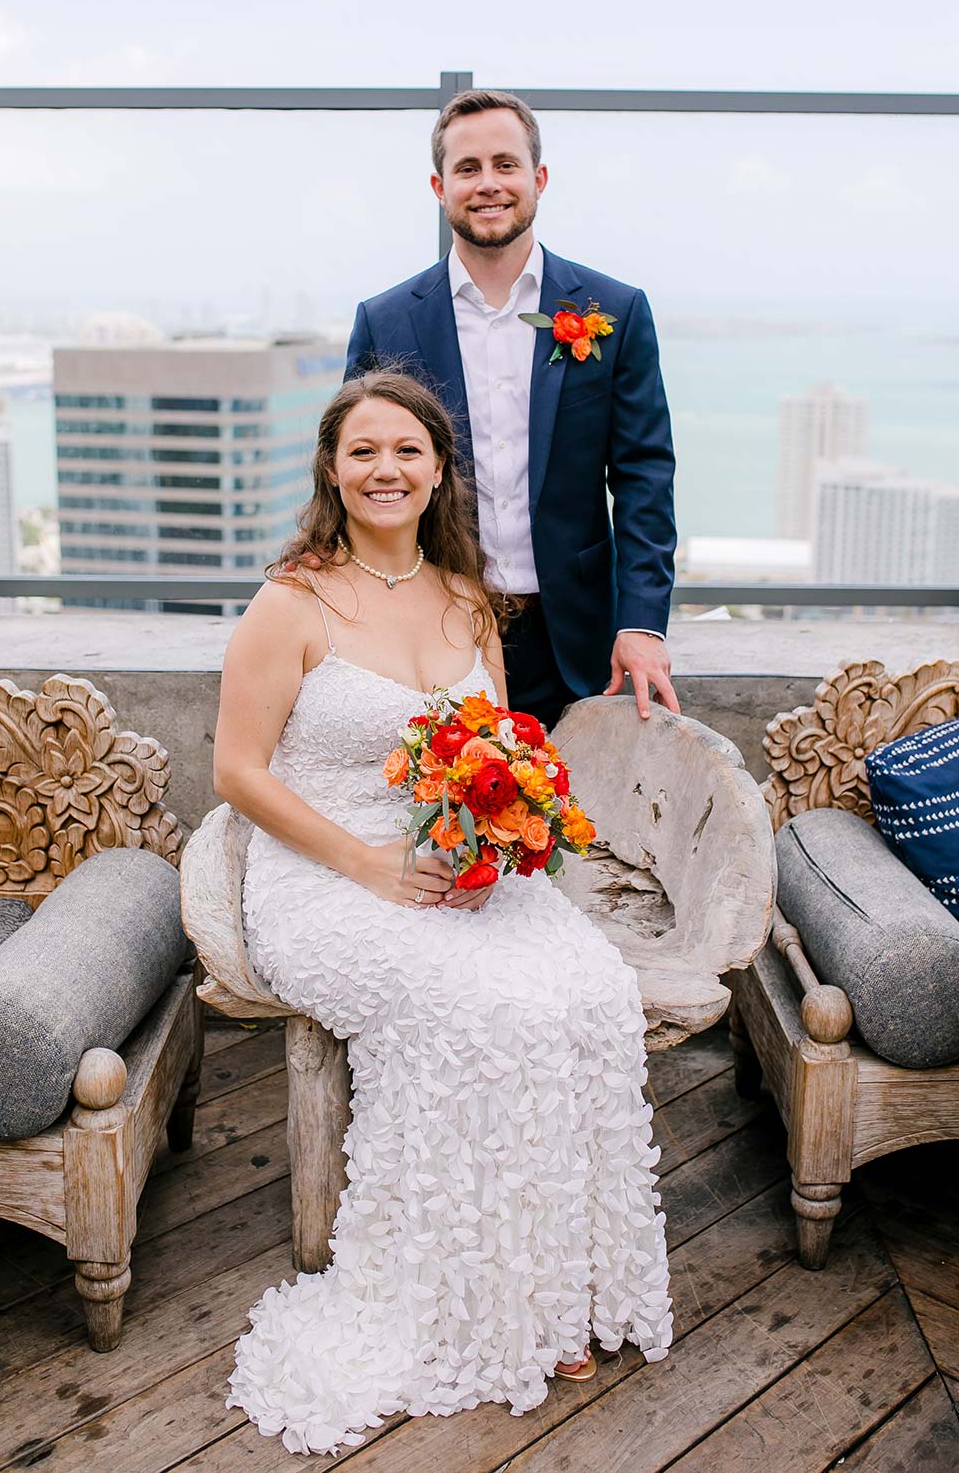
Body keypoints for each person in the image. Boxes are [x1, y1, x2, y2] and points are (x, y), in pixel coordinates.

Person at [214, 370, 672, 1457]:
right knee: (477, 1011)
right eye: (364, 451)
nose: (385, 470)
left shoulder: (467, 596)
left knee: (586, 994)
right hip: (323, 872)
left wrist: (496, 835)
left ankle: (556, 1296)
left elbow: (494, 749)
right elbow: (236, 770)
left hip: (445, 863)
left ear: (438, 471)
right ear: (333, 468)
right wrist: (369, 866)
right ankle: (460, 1307)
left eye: (407, 452)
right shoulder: (292, 601)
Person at [346, 88, 681, 730]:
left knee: (579, 825)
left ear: (539, 178)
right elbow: (359, 478)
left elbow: (644, 477)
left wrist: (641, 623)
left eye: (506, 164)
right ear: (440, 186)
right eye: (468, 169)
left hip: (579, 641)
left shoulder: (617, 311)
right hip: (430, 630)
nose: (488, 184)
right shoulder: (384, 322)